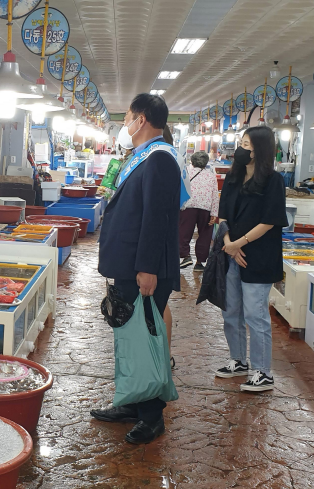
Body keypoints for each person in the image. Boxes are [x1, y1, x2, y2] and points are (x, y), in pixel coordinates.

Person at [91, 93, 182, 444]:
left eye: (127, 117)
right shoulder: (142, 157)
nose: (125, 125)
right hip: (129, 264)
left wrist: (147, 268)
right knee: (128, 336)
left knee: (144, 341)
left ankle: (151, 417)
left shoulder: (160, 160)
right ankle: (131, 401)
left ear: (141, 119)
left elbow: (156, 219)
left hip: (143, 268)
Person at [214, 126, 286, 392]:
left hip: (259, 256)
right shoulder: (233, 178)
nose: (242, 149)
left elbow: (270, 221)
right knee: (230, 311)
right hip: (231, 253)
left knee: (255, 316)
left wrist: (238, 244)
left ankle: (262, 371)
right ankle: (238, 360)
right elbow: (222, 215)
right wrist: (228, 243)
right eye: (241, 143)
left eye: (248, 145)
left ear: (261, 150)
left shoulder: (273, 181)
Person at [179, 151, 219, 271]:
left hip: (188, 206)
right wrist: (214, 213)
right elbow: (215, 195)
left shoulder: (185, 173)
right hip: (206, 208)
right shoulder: (211, 176)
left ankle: (185, 256)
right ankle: (200, 263)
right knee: (205, 235)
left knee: (183, 232)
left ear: (192, 161)